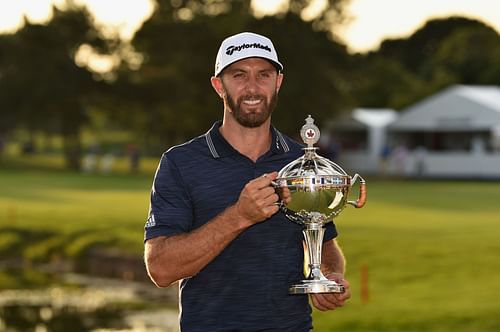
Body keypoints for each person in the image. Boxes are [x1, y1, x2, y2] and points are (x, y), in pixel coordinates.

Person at [144, 32, 351, 331]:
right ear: (219, 85)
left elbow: (324, 241)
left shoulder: (302, 162)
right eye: (239, 75)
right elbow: (161, 269)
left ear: (277, 82)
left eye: (263, 74)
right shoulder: (180, 163)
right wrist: (239, 216)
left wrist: (330, 275)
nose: (252, 87)